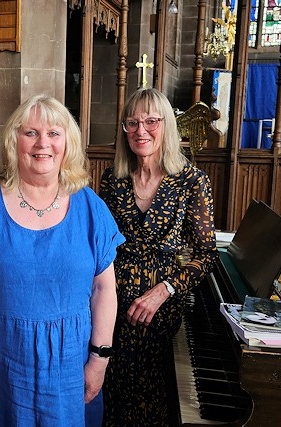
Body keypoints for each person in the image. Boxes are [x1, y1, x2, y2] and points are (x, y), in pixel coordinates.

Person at [0, 94, 125, 426]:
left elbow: (104, 290)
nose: (43, 143)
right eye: (31, 133)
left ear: (68, 143)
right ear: (14, 141)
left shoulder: (92, 208)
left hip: (68, 371)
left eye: (54, 133)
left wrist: (99, 360)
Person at [98, 88, 217, 425]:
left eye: (151, 121)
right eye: (132, 122)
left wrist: (164, 290)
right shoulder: (113, 179)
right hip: (112, 305)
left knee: (155, 404)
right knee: (111, 395)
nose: (140, 130)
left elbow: (206, 253)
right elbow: (100, 243)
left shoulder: (192, 181)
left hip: (161, 311)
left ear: (166, 126)